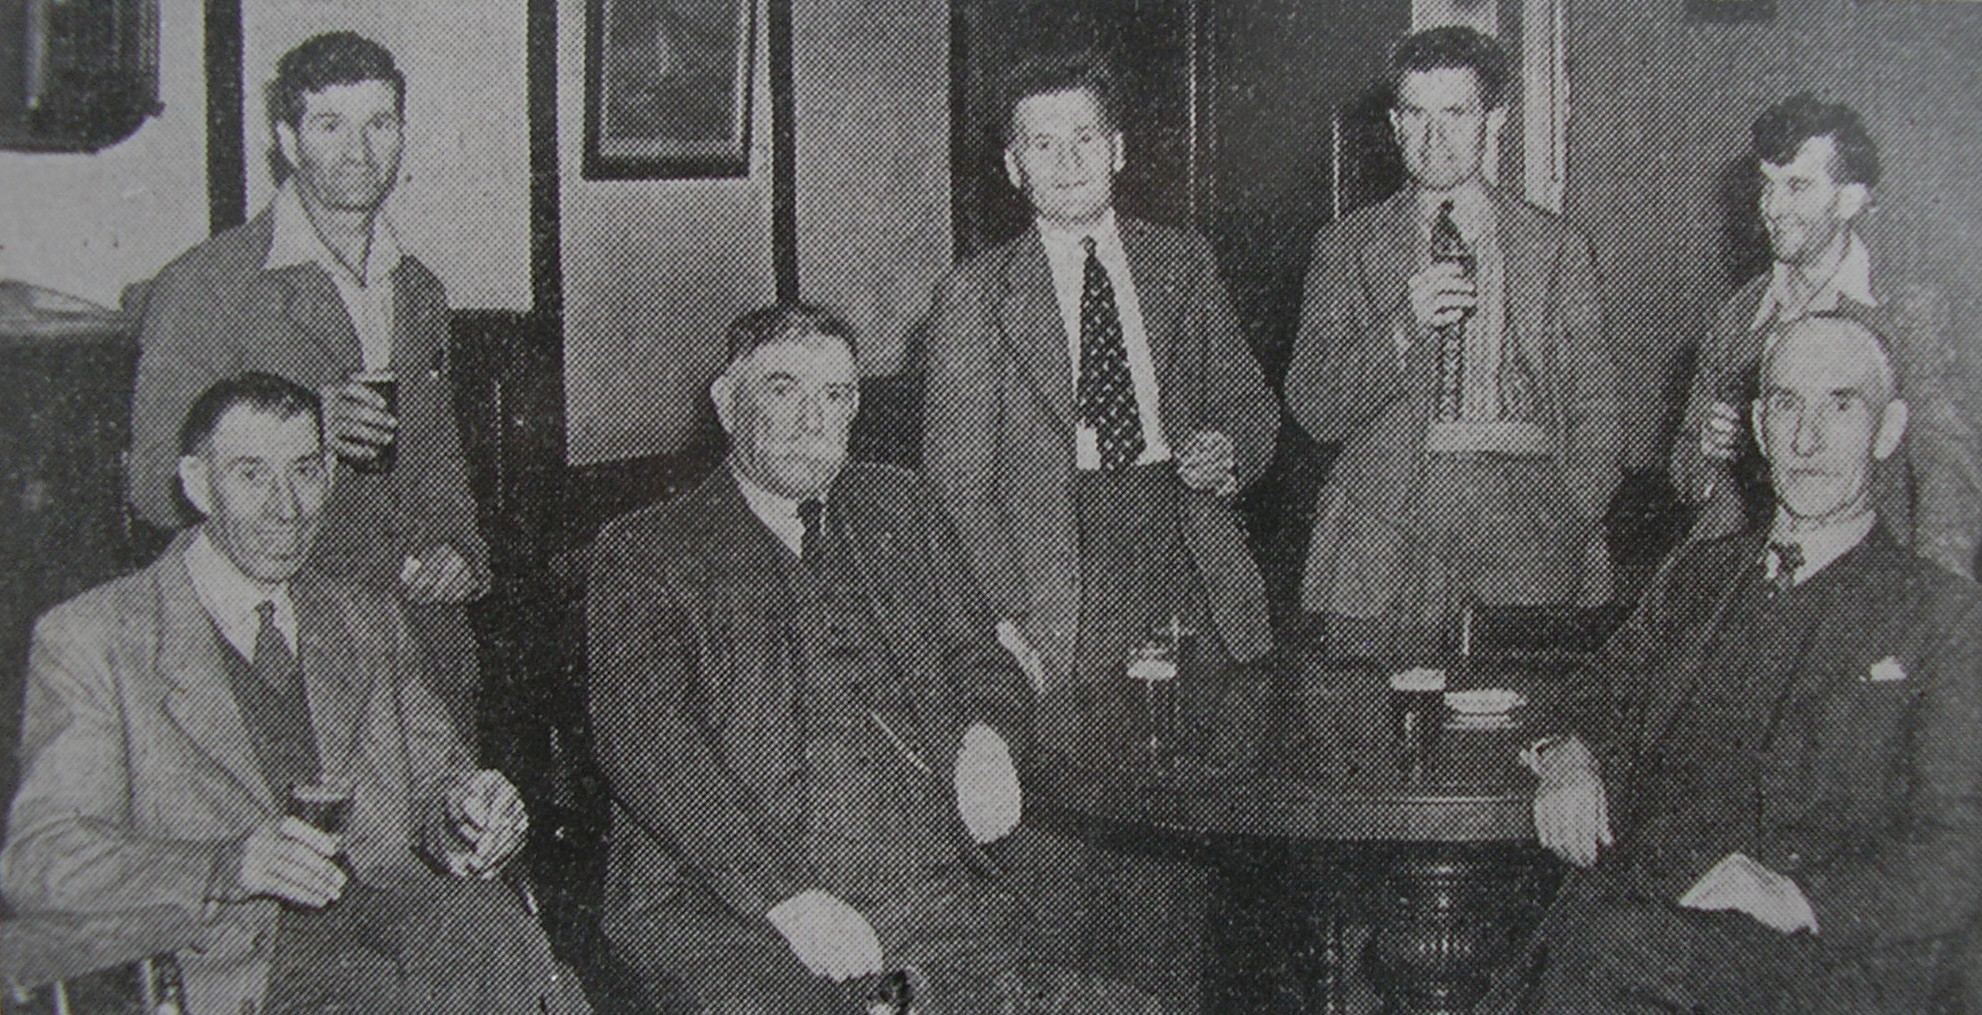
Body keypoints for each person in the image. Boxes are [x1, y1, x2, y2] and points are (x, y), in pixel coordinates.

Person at [587, 304, 1164, 1015]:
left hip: (931, 896)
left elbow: (981, 658)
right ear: (726, 401)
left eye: (835, 396)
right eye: (783, 389)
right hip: (734, 917)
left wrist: (987, 735)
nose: (812, 419)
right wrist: (787, 898)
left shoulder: (901, 505)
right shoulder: (648, 552)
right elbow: (649, 744)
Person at [1, 373, 584, 1015]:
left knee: (489, 928)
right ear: (198, 484)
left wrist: (469, 819)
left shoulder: (367, 618)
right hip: (229, 964)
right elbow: (41, 862)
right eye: (251, 475)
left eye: (306, 471)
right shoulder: (96, 637)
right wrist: (227, 865)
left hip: (395, 929)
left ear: (329, 477)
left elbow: (436, 799)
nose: (286, 507)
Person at [1522, 316, 1982, 1014]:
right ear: (1760, 428)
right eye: (1788, 404)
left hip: (1810, 961)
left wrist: (1799, 896)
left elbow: (1961, 853)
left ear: (1888, 431)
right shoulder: (1699, 575)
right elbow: (1597, 688)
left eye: (1840, 404)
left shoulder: (1943, 615)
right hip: (1638, 921)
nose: (1808, 439)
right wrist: (1567, 754)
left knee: (1598, 952)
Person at [128, 32, 489, 728]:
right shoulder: (208, 286)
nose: (360, 153)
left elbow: (439, 459)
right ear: (288, 140)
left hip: (422, 649)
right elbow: (155, 486)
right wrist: (296, 430)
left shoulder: (418, 289)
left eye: (379, 124)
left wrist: (461, 552)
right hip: (281, 656)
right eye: (330, 126)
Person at [923, 55, 1277, 753]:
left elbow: (1249, 401)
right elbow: (955, 489)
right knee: (1091, 776)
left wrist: (1230, 450)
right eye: (1041, 143)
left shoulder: (1183, 261)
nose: (1067, 161)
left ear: (1117, 149)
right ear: (1013, 167)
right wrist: (1006, 619)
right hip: (1064, 566)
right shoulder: (974, 296)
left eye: (1085, 136)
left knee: (1214, 768)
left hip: (1184, 542)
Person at [1284, 26, 1621, 653]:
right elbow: (1314, 407)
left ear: (1495, 119)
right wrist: (1401, 328)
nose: (1433, 138)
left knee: (1517, 719)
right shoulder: (1347, 245)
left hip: (1528, 519)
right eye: (1416, 115)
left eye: (1456, 113)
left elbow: (1596, 410)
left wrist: (1568, 521)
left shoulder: (1557, 247)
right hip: (1387, 528)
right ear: (1394, 123)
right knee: (1375, 725)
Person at [1670, 93, 1981, 579]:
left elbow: (1948, 475)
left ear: (1850, 198)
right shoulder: (1738, 316)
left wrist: (1935, 610)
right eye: (1767, 186)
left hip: (1865, 594)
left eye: (1797, 187)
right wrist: (1708, 455)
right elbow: (1685, 471)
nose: (1772, 207)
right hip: (1747, 592)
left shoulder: (1906, 311)